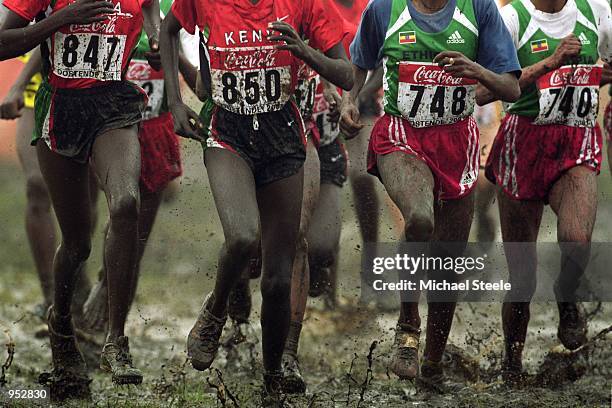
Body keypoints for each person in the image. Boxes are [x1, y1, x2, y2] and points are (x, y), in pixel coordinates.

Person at [160, 0, 352, 402]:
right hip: (228, 133)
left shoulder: (305, 4)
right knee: (244, 237)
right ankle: (215, 310)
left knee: (279, 279)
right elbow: (167, 29)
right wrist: (176, 104)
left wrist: (305, 52)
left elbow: (347, 74)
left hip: (284, 140)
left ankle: (271, 385)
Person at [341, 0, 521, 390]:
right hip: (401, 134)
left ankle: (434, 364)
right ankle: (407, 327)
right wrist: (348, 99)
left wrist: (474, 70)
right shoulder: (384, 9)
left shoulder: (479, 10)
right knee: (420, 219)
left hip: (457, 141)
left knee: (448, 265)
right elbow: (360, 63)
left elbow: (511, 85)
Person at [0, 0, 161, 398]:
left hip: (114, 106)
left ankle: (116, 340)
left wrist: (154, 33)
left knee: (126, 204)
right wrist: (61, 19)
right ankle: (61, 325)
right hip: (61, 107)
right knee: (77, 244)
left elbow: (153, 6)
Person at [482, 0, 612, 384]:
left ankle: (567, 293)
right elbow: (487, 90)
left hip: (576, 140)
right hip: (523, 145)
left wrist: (602, 75)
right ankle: (511, 363)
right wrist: (549, 63)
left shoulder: (598, 13)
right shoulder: (511, 19)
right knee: (522, 279)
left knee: (576, 238)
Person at [81, 0, 198, 336]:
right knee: (97, 218)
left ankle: (113, 327)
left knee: (136, 237)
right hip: (105, 124)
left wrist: (170, 55)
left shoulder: (169, 9)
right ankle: (85, 290)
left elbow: (187, 67)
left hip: (154, 130)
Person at [1, 50, 97, 326]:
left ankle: (75, 275)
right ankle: (51, 297)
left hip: (86, 94)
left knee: (86, 198)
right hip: (34, 96)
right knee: (36, 184)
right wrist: (18, 84)